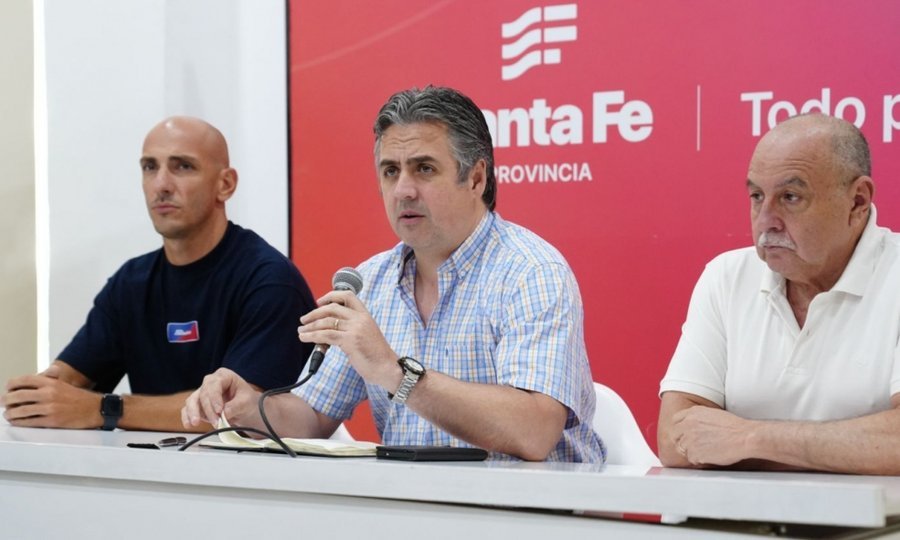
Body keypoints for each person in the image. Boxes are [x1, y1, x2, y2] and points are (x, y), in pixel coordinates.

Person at [183, 87, 604, 462]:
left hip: (530, 511)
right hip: (410, 508)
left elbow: (533, 432)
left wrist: (396, 373)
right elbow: (311, 416)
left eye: (424, 169)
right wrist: (250, 406)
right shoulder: (371, 281)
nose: (403, 190)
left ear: (476, 178)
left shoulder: (531, 273)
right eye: (390, 171)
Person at [2, 116, 316, 432]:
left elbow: (237, 415)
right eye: (150, 167)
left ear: (225, 184)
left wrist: (104, 409)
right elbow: (67, 381)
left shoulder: (269, 281)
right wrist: (37, 396)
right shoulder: (130, 283)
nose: (161, 185)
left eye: (183, 167)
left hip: (251, 464)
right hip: (150, 463)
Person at [657, 113, 900, 474]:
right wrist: (850, 449)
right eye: (757, 196)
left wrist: (750, 438)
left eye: (790, 197)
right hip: (738, 511)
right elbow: (675, 439)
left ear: (857, 201)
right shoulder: (727, 276)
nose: (765, 220)